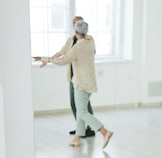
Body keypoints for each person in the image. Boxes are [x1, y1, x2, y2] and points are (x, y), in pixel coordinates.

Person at [34, 20, 114, 149]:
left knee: (82, 112)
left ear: (75, 31)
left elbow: (64, 60)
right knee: (81, 111)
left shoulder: (77, 47)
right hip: (90, 82)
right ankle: (77, 139)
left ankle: (104, 132)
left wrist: (45, 59)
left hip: (80, 83)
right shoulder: (90, 42)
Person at [54, 16, 96, 137]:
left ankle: (90, 128)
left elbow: (90, 54)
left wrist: (50, 60)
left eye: (78, 22)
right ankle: (80, 128)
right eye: (74, 22)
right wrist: (50, 58)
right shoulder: (70, 40)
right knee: (73, 103)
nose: (76, 24)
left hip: (83, 77)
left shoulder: (88, 40)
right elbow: (62, 52)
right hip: (73, 77)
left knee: (84, 104)